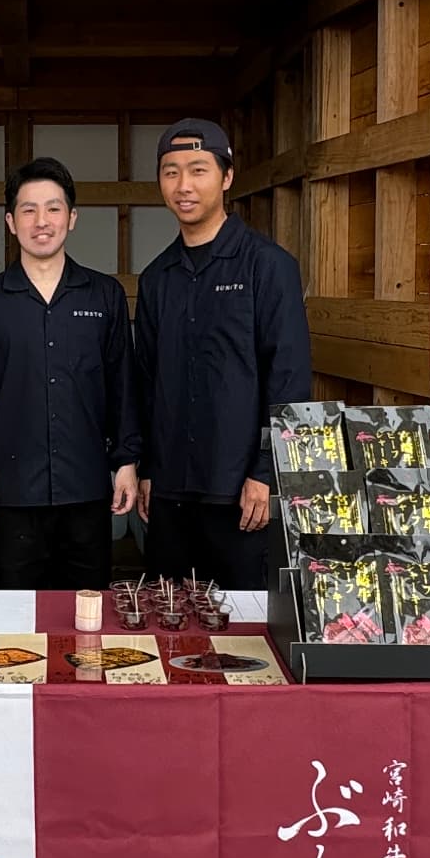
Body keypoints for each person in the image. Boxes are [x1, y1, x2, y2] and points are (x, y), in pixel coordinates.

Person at [135, 118, 311, 591]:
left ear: (227, 177)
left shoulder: (268, 266)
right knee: (168, 619)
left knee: (244, 631)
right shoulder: (157, 278)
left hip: (240, 492)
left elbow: (290, 380)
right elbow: (146, 381)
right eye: (171, 173)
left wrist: (265, 473)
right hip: (169, 491)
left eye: (198, 170)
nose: (183, 186)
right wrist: (148, 469)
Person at [0, 158, 139, 590]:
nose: (42, 221)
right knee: (9, 613)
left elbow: (123, 385)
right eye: (28, 210)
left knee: (87, 610)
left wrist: (127, 461)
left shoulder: (104, 294)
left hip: (86, 485)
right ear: (10, 221)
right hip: (11, 488)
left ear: (72, 218)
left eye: (54, 208)